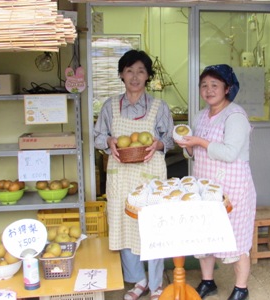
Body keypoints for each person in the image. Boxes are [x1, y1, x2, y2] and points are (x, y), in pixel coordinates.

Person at [94, 49, 174, 300]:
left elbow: (170, 138)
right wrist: (109, 140)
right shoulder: (110, 107)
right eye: (130, 70)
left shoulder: (159, 107)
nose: (135, 76)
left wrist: (158, 145)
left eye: (141, 71)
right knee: (124, 224)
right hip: (120, 176)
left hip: (150, 177)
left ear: (148, 75)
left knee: (153, 226)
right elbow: (98, 137)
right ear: (121, 74)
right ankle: (138, 280)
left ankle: (156, 282)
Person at [175, 64, 256, 300]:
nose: (208, 90)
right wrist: (189, 147)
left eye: (214, 85)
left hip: (234, 189)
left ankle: (241, 288)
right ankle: (208, 282)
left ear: (227, 88)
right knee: (205, 235)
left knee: (236, 238)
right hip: (206, 188)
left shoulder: (235, 115)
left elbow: (230, 153)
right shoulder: (201, 115)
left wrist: (199, 142)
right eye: (204, 85)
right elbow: (193, 154)